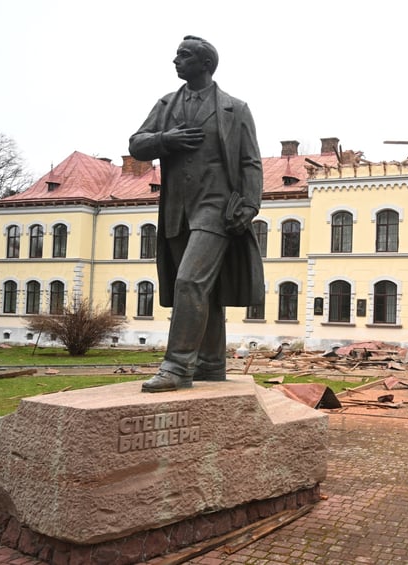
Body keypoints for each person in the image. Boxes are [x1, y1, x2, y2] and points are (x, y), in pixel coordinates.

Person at [129, 35, 264, 392]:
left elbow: (250, 162)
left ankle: (177, 366)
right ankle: (210, 364)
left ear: (205, 64)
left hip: (216, 210)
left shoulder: (235, 108)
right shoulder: (167, 104)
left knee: (190, 281)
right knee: (206, 290)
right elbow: (136, 144)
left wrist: (250, 204)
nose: (175, 60)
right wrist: (166, 140)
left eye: (183, 56)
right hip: (177, 210)